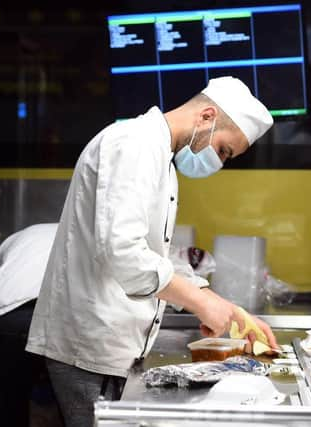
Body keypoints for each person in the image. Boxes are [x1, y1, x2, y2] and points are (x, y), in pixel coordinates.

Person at [25, 76, 278, 427]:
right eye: (223, 150)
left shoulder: (160, 155)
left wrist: (226, 309)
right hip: (89, 351)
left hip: (110, 349)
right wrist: (201, 303)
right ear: (206, 116)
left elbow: (155, 254)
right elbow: (124, 253)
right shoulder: (133, 144)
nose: (220, 162)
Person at [0, 223, 58, 427]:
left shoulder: (18, 238)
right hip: (57, 321)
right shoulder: (82, 235)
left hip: (7, 320)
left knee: (2, 415)